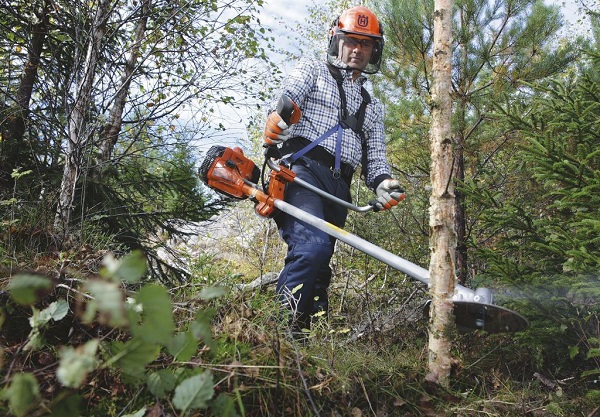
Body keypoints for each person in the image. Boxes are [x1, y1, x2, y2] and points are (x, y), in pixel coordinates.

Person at [263, 5, 405, 335]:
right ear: (336, 40)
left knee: (319, 270)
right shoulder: (312, 69)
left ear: (374, 50)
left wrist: (384, 183)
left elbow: (377, 160)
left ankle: (302, 344)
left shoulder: (372, 105)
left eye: (365, 44)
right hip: (302, 172)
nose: (357, 49)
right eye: (351, 40)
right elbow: (289, 98)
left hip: (340, 189)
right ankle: (279, 334)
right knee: (311, 248)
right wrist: (277, 118)